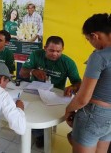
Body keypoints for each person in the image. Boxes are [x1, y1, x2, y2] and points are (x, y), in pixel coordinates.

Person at [20, 36, 81, 148]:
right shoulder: (36, 55)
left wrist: (72, 87)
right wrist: (33, 71)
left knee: (45, 115)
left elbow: (78, 83)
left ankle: (41, 133)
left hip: (55, 96)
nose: (55, 54)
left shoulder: (68, 62)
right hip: (35, 92)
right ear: (45, 48)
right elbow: (22, 73)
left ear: (63, 49)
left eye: (58, 51)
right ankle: (38, 134)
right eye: (51, 50)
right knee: (31, 115)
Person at [65, 13, 111, 153]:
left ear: (95, 36)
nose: (90, 43)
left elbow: (83, 98)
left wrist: (69, 110)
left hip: (93, 115)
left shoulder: (99, 56)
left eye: (88, 39)